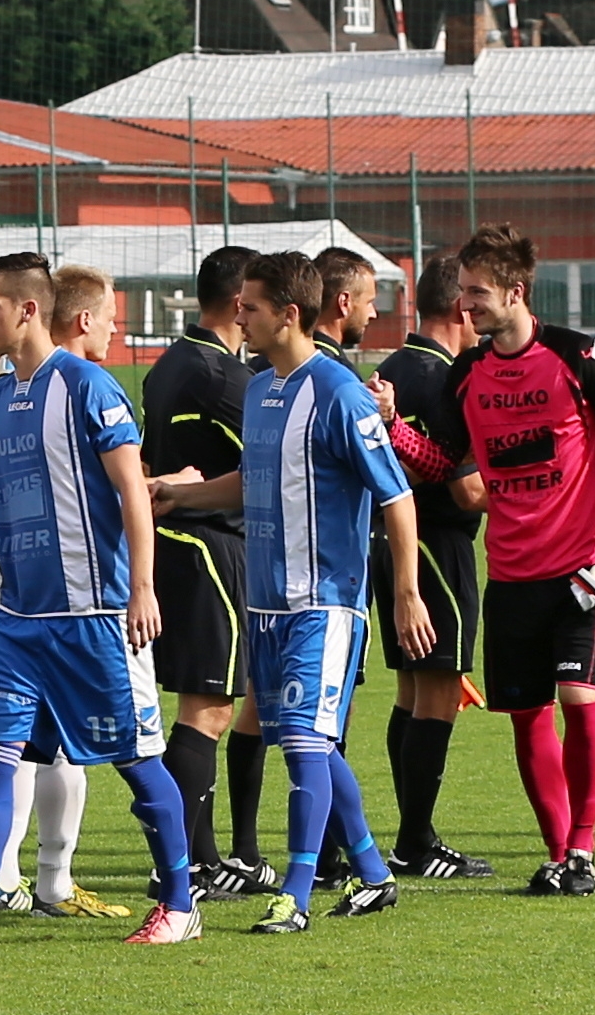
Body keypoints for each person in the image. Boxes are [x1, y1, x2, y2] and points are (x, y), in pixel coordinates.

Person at [0, 255, 200, 949]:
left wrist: (141, 588)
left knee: (139, 762)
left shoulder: (89, 387)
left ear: (27, 310)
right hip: (18, 623)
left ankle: (179, 902)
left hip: (95, 617)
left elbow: (134, 494)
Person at [377, 224, 595, 897]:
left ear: (515, 292)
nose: (466, 304)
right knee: (528, 716)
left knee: (580, 698)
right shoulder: (467, 373)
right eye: (464, 291)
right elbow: (446, 463)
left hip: (582, 571)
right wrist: (391, 428)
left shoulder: (576, 355)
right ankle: (558, 853)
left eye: (478, 292)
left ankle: (583, 849)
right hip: (509, 574)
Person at [159, 253, 429, 929]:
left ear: (289, 313)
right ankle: (370, 872)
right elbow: (252, 483)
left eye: (250, 306)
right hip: (267, 602)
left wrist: (405, 591)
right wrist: (181, 493)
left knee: (306, 746)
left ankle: (298, 893)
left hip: (325, 601)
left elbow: (396, 496)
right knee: (309, 744)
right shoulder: (259, 389)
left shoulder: (337, 392)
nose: (239, 315)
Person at [139, 244, 272, 896]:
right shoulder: (225, 377)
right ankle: (186, 860)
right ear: (239, 298)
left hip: (173, 541)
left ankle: (206, 854)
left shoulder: (168, 363)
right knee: (209, 707)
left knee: (208, 705)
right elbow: (264, 473)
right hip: (210, 545)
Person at [369, 255, 493, 889]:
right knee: (438, 693)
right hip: (436, 547)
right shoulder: (447, 379)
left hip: (388, 545)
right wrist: (539, 491)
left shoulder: (392, 368)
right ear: (462, 310)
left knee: (412, 693)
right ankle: (417, 841)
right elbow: (470, 492)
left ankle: (412, 835)